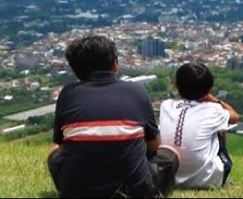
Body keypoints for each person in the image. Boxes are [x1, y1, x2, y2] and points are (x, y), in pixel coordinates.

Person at [48, 35, 179, 198]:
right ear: (115, 64)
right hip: (135, 192)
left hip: (77, 193)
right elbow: (153, 146)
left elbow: (63, 147)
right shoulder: (136, 91)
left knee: (54, 154)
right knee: (170, 155)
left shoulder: (68, 94)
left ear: (75, 70)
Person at [159, 62, 239, 189]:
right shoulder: (213, 110)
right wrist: (213, 99)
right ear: (209, 88)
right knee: (220, 127)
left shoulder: (166, 106)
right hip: (208, 180)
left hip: (171, 176)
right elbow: (235, 117)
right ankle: (223, 174)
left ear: (176, 85)